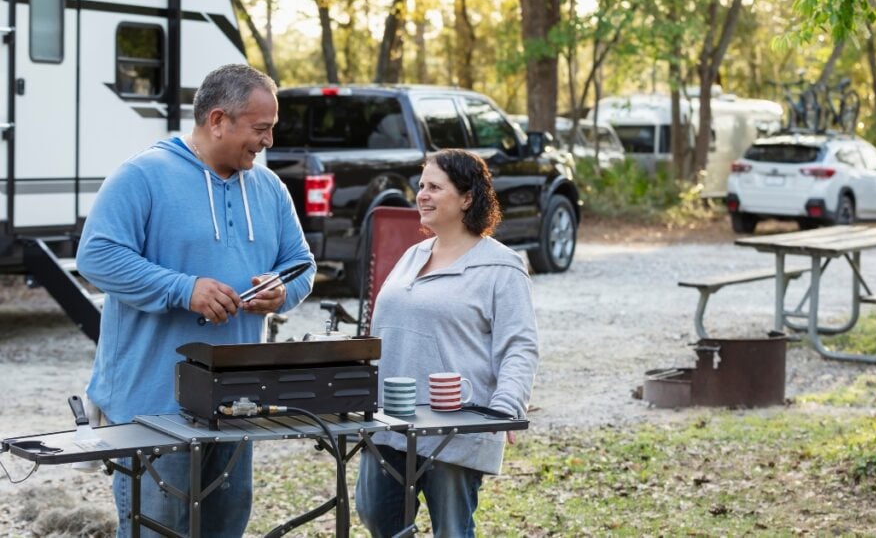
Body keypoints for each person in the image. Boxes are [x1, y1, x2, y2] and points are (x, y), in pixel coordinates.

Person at [77, 63, 315, 537]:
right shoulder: (142, 175)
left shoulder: (268, 188)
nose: (268, 141)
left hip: (237, 405)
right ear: (218, 119)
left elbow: (301, 264)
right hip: (153, 407)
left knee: (225, 529)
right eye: (260, 128)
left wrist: (282, 291)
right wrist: (185, 289)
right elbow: (96, 257)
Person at [355, 148, 539, 537]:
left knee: (452, 529)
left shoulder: (501, 268)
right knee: (376, 516)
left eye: (434, 187)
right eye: (421, 186)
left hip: (455, 425)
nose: (422, 194)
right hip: (390, 417)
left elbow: (519, 345)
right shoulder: (412, 255)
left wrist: (504, 408)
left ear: (467, 197)